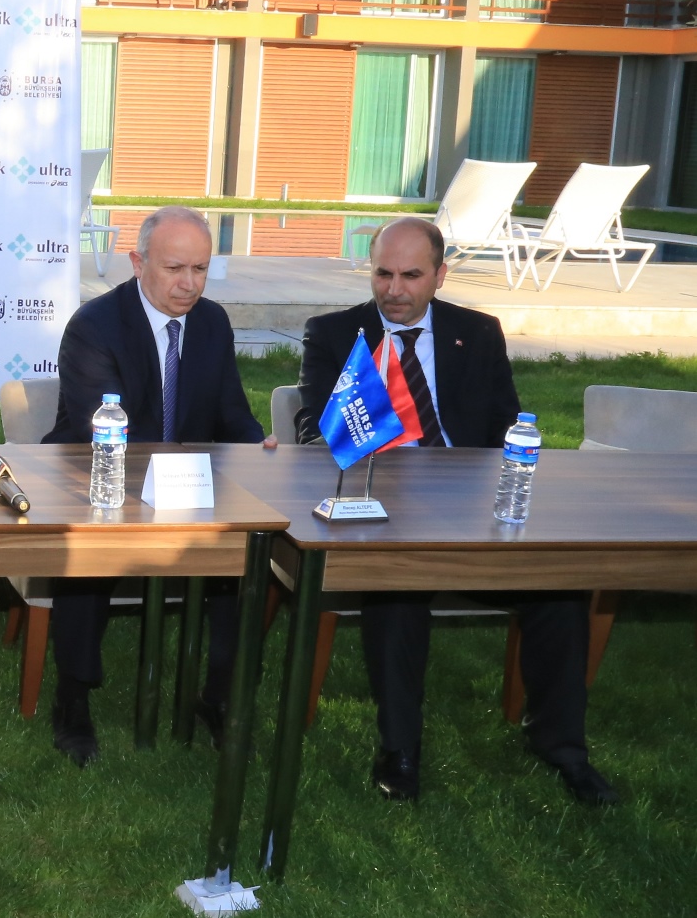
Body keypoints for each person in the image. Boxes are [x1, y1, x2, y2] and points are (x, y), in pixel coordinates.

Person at [295, 217, 616, 806]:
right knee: (396, 590)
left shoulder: (477, 332)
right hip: (384, 506)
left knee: (560, 585)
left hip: (470, 508)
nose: (394, 290)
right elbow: (314, 425)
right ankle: (400, 752)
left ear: (440, 275)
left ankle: (563, 747)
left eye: (411, 275)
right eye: (383, 274)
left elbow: (502, 425)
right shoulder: (334, 333)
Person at [39, 205, 266, 766]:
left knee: (248, 555)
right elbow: (103, 430)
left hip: (188, 486)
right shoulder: (96, 325)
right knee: (88, 556)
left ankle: (218, 696)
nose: (189, 284)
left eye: (200, 269)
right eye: (174, 268)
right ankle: (73, 697)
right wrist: (182, 477)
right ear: (138, 263)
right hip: (99, 475)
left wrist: (258, 450)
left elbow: (232, 413)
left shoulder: (211, 323)